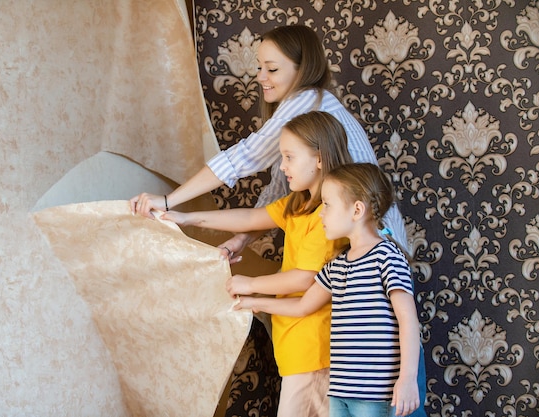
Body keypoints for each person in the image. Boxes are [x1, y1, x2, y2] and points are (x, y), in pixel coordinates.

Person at [129, 24, 407, 254]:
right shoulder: (304, 119)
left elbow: (243, 158)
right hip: (365, 240)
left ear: (302, 70)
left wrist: (168, 201)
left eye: (271, 69)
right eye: (259, 67)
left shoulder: (306, 101)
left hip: (376, 241)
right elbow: (277, 196)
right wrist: (242, 239)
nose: (261, 77)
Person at [162, 111, 353, 417]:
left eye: (289, 157)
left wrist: (251, 286)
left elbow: (306, 278)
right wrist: (184, 217)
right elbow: (251, 218)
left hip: (316, 352)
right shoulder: (299, 205)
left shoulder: (325, 217)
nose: (282, 166)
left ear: (319, 158)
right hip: (297, 350)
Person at [232, 162, 424, 417]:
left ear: (357, 210)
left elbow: (408, 320)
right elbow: (302, 305)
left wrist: (408, 379)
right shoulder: (338, 266)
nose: (321, 214)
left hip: (376, 392)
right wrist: (253, 301)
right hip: (340, 391)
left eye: (328, 205)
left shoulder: (387, 257)